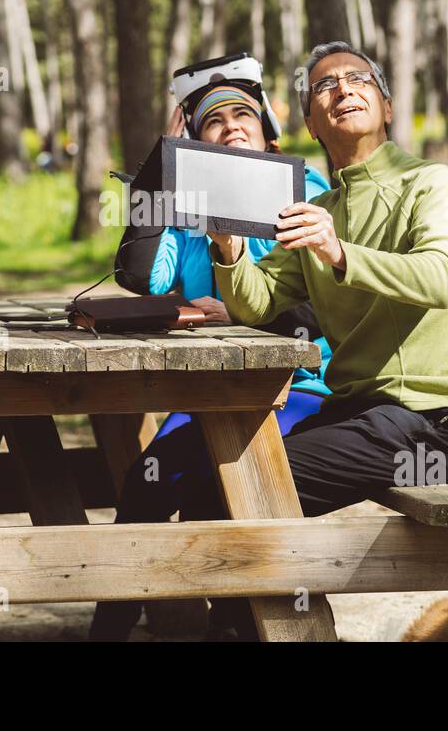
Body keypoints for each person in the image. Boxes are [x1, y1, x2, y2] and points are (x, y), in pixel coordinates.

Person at [94, 41, 448, 641]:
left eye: (358, 80)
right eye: (325, 86)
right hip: (355, 415)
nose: (343, 89)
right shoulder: (321, 204)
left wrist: (337, 252)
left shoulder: (430, 183)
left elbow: (441, 278)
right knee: (209, 489)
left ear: (386, 105)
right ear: (309, 120)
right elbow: (257, 300)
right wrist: (227, 248)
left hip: (432, 426)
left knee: (234, 499)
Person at [91, 62, 331, 640]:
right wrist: (162, 160)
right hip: (212, 391)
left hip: (303, 388)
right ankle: (109, 631)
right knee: (146, 482)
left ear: (267, 127)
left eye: (241, 115)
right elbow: (140, 274)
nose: (229, 127)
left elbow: (328, 298)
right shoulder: (185, 208)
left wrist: (252, 309)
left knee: (224, 491)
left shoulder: (309, 188)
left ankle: (236, 627)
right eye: (212, 122)